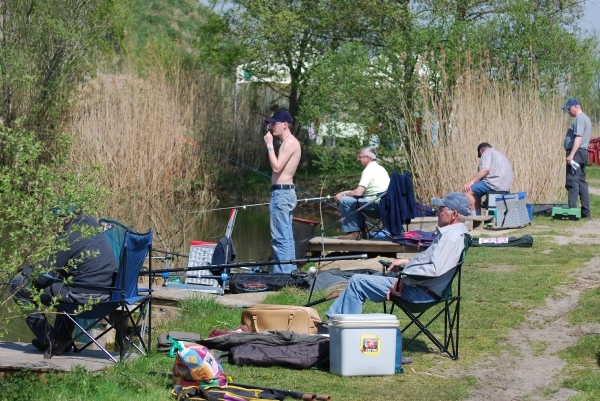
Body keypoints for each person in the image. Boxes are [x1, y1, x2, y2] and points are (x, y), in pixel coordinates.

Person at [325, 192, 471, 316]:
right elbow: (434, 262)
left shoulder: (450, 238)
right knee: (366, 279)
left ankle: (339, 327)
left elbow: (433, 270)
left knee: (358, 282)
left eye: (441, 210)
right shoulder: (455, 233)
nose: (437, 213)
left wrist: (403, 277)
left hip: (419, 293)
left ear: (455, 214)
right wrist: (407, 261)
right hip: (422, 287)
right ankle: (335, 323)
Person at [10, 206, 118, 354]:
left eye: (53, 222)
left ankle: (49, 340)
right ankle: (62, 340)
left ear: (64, 219)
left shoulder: (68, 236)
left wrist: (28, 271)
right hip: (108, 297)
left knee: (18, 285)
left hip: (83, 299)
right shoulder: (90, 223)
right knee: (65, 279)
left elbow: (41, 279)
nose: (52, 229)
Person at [263, 109, 301, 274]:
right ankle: (289, 272)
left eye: (274, 123)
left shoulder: (290, 142)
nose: (271, 126)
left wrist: (269, 145)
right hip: (283, 193)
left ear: (285, 124)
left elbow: (277, 167)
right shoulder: (288, 142)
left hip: (282, 194)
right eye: (270, 123)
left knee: (280, 238)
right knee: (286, 236)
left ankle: (283, 275)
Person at [335, 147, 390, 240]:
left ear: (367, 158)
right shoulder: (380, 168)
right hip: (386, 206)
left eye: (360, 157)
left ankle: (354, 232)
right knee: (355, 201)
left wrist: (343, 194)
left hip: (376, 207)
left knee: (345, 200)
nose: (358, 159)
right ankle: (360, 231)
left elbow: (358, 193)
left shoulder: (369, 170)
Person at [461, 142, 513, 215]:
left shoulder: (486, 153)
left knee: (468, 191)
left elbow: (485, 169)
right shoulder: (500, 155)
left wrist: (471, 182)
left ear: (481, 151)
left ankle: (476, 219)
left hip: (494, 183)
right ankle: (478, 216)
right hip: (505, 186)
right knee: (477, 191)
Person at [562, 98, 591, 218]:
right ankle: (586, 211)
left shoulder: (579, 118)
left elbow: (578, 137)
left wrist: (571, 155)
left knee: (572, 180)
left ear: (575, 107)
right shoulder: (586, 118)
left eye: (569, 109)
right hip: (583, 152)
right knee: (581, 181)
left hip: (577, 153)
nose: (568, 111)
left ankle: (572, 210)